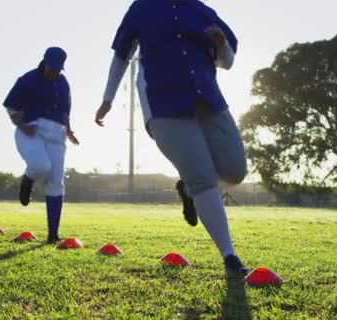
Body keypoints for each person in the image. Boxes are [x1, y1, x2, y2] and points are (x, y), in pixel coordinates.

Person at [95, 0, 248, 276]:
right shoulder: (142, 8)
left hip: (209, 100)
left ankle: (189, 190)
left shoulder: (202, 10)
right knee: (202, 177)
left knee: (235, 170)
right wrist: (108, 98)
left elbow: (227, 61)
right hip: (164, 103)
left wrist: (221, 43)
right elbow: (121, 55)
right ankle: (230, 256)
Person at [3, 47, 80, 244]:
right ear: (44, 61)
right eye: (52, 67)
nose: (54, 72)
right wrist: (21, 124)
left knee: (56, 181)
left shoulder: (63, 83)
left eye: (58, 69)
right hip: (31, 131)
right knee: (40, 166)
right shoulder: (28, 80)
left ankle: (52, 234)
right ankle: (28, 180)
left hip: (57, 135)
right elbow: (10, 106)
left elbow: (66, 111)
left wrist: (69, 131)